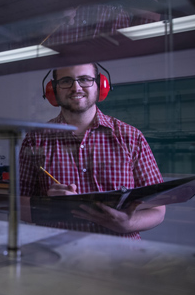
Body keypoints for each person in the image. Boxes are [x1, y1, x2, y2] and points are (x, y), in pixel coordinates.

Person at [19, 63, 165, 239]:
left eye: (84, 79)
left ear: (100, 85)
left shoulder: (131, 137)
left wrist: (126, 224)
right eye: (66, 81)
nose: (76, 87)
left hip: (121, 257)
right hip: (59, 255)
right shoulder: (35, 139)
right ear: (53, 90)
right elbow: (17, 206)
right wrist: (50, 206)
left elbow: (158, 208)